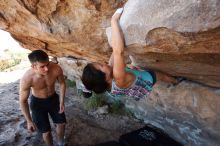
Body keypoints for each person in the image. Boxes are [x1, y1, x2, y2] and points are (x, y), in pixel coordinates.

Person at [81, 8, 179, 101]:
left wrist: (118, 36)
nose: (103, 62)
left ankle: (172, 81)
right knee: (160, 76)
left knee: (130, 67)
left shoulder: (108, 82)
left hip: (132, 82)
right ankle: (175, 81)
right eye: (101, 65)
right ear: (105, 78)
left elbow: (115, 52)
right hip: (145, 80)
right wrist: (114, 21)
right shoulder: (119, 78)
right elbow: (118, 52)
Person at [19, 50, 67, 146]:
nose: (46, 69)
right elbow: (23, 101)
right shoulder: (27, 79)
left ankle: (61, 143)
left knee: (61, 124)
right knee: (46, 132)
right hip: (38, 104)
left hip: (53, 99)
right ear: (33, 66)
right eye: (42, 66)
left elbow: (62, 83)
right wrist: (29, 121)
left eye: (47, 64)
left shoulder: (56, 69)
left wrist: (61, 101)